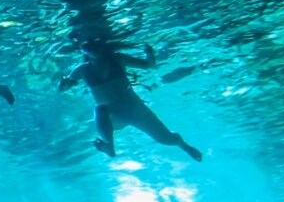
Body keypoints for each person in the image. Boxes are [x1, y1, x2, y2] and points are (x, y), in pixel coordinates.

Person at [60, 40, 201, 161]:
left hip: (135, 109)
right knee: (100, 108)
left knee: (165, 139)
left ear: (102, 48)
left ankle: (185, 146)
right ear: (86, 53)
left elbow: (148, 65)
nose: (93, 49)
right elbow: (66, 86)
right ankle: (109, 146)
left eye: (95, 45)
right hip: (113, 115)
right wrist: (63, 83)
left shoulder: (117, 59)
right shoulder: (82, 69)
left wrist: (149, 53)